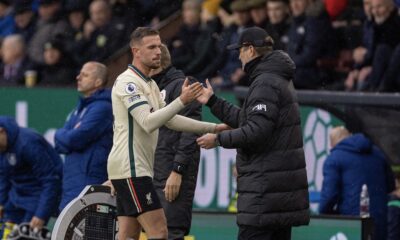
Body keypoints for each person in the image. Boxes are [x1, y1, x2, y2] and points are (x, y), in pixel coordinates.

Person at [106, 27, 226, 240]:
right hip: (132, 169)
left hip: (130, 169)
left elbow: (169, 120)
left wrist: (213, 128)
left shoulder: (149, 83)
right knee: (161, 232)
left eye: (159, 46)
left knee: (128, 235)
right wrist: (181, 100)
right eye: (151, 47)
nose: (158, 51)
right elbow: (148, 122)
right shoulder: (129, 82)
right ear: (136, 52)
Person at [196, 26, 310, 240]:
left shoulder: (266, 81)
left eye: (240, 50)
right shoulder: (275, 77)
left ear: (250, 50)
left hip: (264, 194)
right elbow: (251, 120)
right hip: (275, 194)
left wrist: (219, 140)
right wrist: (212, 102)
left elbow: (256, 131)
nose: (239, 56)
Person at [150, 44, 202, 240]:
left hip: (171, 173)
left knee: (171, 230)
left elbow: (191, 131)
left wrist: (177, 171)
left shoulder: (183, 85)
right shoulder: (150, 89)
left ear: (156, 62)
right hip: (153, 172)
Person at [319, 126, 395, 240]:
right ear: (349, 135)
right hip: (379, 221)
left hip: (350, 223)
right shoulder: (377, 153)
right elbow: (390, 186)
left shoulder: (334, 158)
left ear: (332, 143)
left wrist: (326, 213)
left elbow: (329, 196)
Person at [54, 61, 112, 210]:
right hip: (72, 180)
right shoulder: (79, 109)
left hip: (87, 180)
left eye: (85, 75)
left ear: (98, 82)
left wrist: (63, 135)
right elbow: (60, 141)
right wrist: (62, 135)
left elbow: (74, 139)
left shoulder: (103, 108)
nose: (78, 77)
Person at [0, 116, 62, 230]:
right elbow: (3, 176)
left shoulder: (28, 143)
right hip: (16, 198)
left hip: (36, 200)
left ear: (1, 131)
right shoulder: (2, 147)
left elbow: (50, 180)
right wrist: (1, 203)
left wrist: (41, 214)